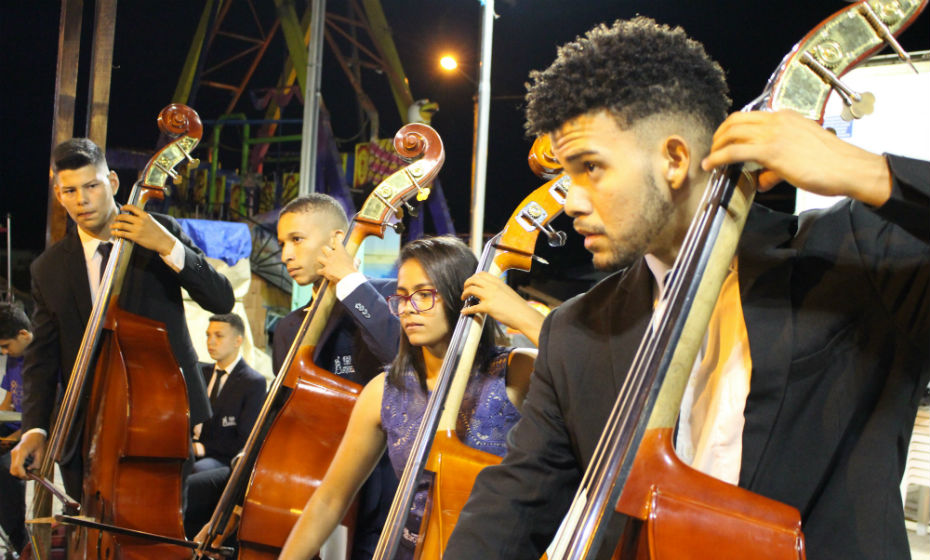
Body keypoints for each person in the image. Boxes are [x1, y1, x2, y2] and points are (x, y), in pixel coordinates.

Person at [445, 17, 929, 560]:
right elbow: (515, 503)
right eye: (564, 175)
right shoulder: (575, 328)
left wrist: (869, 173)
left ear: (674, 159)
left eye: (589, 169)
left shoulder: (853, 263)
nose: (571, 200)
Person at [279, 235, 541, 560]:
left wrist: (523, 315)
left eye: (425, 295)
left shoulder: (515, 372)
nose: (408, 309)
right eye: (402, 297)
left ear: (461, 296)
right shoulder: (383, 391)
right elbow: (330, 499)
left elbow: (588, 372)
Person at [9, 138, 235, 501]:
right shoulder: (47, 269)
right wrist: (34, 427)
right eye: (70, 190)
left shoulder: (159, 231)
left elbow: (221, 298)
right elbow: (42, 361)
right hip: (86, 429)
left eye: (92, 186)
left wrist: (166, 246)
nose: (82, 200)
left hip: (160, 419)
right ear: (59, 195)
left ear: (113, 183)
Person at [271, 193, 401, 558]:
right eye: (283, 243)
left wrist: (347, 281)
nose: (285, 255)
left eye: (297, 240)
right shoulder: (287, 328)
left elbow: (399, 355)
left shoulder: (385, 299)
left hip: (378, 488)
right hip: (304, 485)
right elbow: (283, 417)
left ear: (335, 240)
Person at [184, 313, 266, 537]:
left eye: (219, 336)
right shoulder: (201, 372)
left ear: (238, 340)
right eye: (208, 335)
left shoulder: (253, 382)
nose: (210, 342)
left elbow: (244, 441)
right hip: (189, 450)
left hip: (222, 460)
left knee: (194, 473)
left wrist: (202, 449)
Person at [0, 303, 32, 555]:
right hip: (11, 429)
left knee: (5, 469)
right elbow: (8, 401)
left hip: (31, 436)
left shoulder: (42, 361)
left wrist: (11, 438)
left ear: (23, 335)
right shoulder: (14, 357)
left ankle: (20, 539)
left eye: (5, 346)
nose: (3, 352)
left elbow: (46, 416)